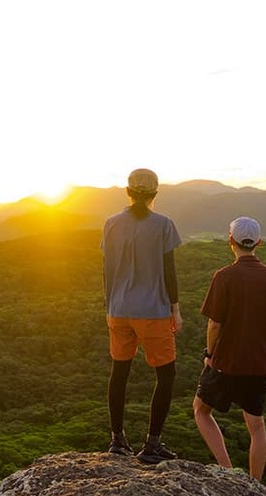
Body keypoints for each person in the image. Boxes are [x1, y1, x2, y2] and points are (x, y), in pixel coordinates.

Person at [193, 216, 266, 481]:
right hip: (259, 363)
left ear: (231, 241)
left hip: (225, 362)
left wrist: (209, 355)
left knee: (201, 410)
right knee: (257, 426)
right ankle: (255, 483)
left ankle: (227, 471)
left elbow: (214, 324)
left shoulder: (224, 277)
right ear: (259, 242)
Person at [101, 168, 183, 464]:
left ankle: (117, 440)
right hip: (153, 311)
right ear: (154, 194)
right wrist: (175, 309)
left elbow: (107, 270)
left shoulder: (111, 224)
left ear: (128, 192)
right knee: (166, 375)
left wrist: (109, 306)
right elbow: (169, 271)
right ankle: (152, 444)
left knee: (119, 371)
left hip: (118, 309)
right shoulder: (163, 225)